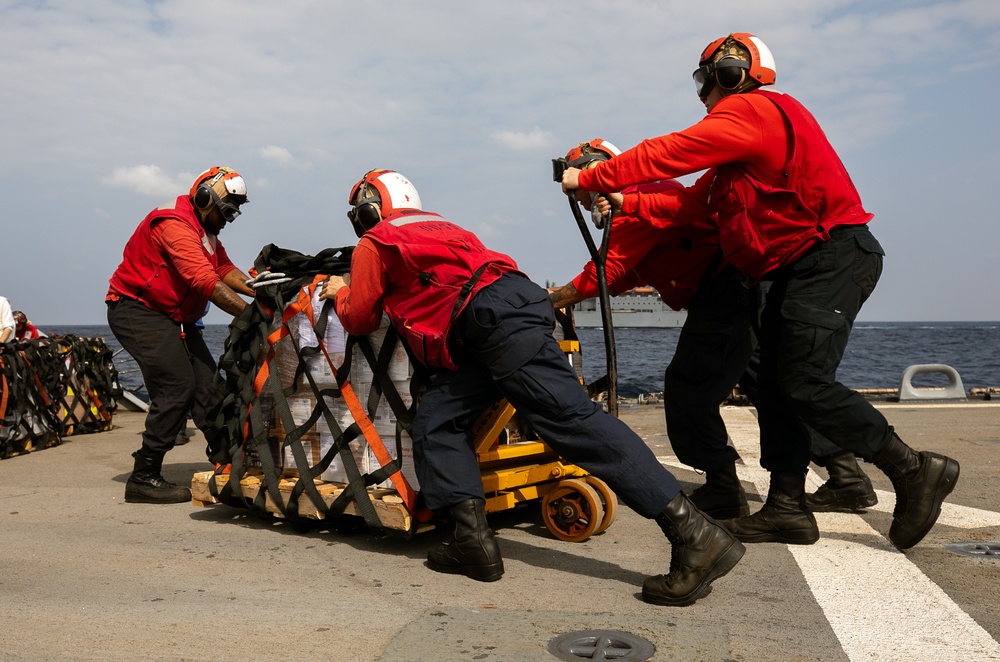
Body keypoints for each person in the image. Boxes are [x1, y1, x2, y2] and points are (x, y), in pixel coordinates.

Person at [560, 33, 958, 551]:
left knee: (803, 382)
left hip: (828, 257)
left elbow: (673, 151)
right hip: (786, 269)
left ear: (731, 73)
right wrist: (626, 200)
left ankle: (911, 467)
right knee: (775, 387)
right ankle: (787, 508)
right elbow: (693, 209)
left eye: (707, 81)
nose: (704, 95)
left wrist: (599, 174)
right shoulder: (734, 162)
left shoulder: (754, 110)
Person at [320, 168, 745, 606]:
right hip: (493, 318)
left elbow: (360, 318)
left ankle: (695, 535)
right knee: (437, 420)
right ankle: (472, 542)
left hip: (490, 321)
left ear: (373, 209)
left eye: (360, 212)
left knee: (571, 420)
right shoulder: (442, 225)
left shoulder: (377, 241)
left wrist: (340, 291)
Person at [548, 139, 756, 520]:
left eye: (580, 190)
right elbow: (631, 271)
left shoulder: (637, 200)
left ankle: (724, 489)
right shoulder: (645, 195)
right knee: (773, 383)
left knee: (687, 387)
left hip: (723, 292)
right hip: (737, 289)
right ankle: (843, 471)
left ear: (597, 173)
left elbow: (608, 271)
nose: (579, 200)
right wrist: (568, 293)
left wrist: (552, 301)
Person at [106, 166, 257, 504]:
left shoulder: (206, 230)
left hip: (176, 318)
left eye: (235, 213)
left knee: (209, 391)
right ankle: (143, 476)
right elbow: (204, 281)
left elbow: (223, 269)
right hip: (138, 310)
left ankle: (227, 462)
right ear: (205, 199)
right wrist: (252, 317)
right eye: (227, 210)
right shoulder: (174, 225)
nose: (229, 219)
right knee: (176, 387)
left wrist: (262, 295)